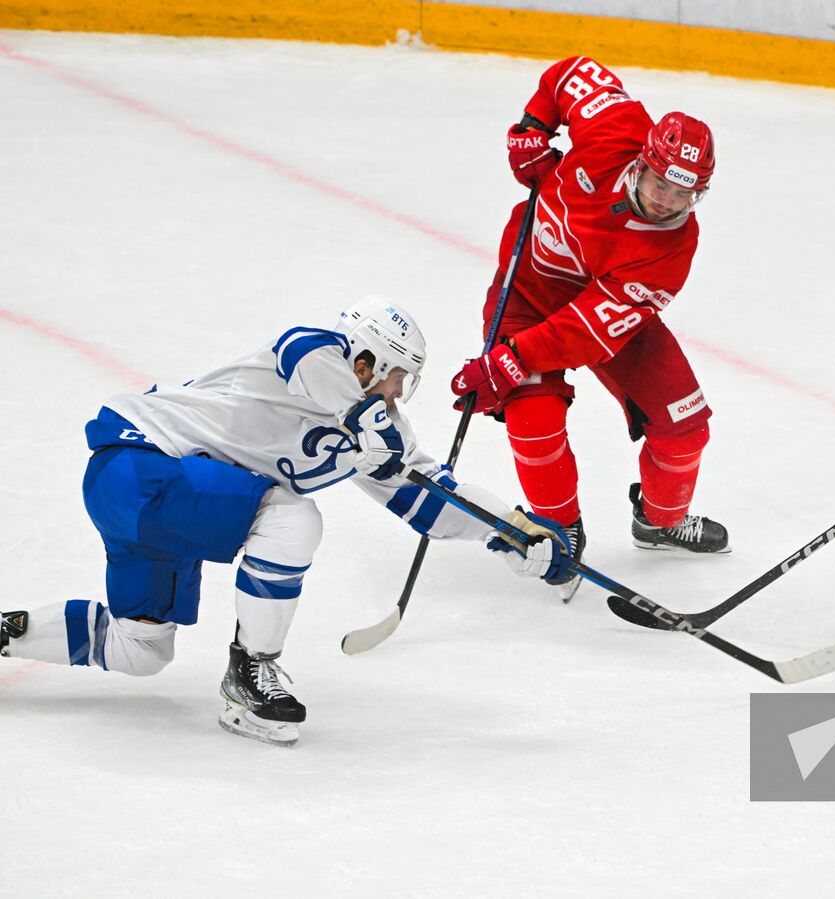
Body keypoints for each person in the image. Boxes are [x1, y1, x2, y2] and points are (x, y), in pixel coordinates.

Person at [0, 297, 572, 746]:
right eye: (396, 375)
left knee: (141, 650)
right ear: (365, 359)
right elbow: (303, 351)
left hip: (158, 506)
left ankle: (7, 633)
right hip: (141, 465)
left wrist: (511, 530)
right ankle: (250, 673)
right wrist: (365, 418)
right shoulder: (313, 357)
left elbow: (426, 502)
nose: (400, 392)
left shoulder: (371, 433)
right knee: (291, 517)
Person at [450, 56, 730, 601]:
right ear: (643, 161)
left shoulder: (673, 247)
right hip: (527, 296)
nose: (669, 202)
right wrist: (533, 128)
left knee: (685, 427)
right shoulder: (616, 127)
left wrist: (510, 359)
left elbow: (587, 330)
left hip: (604, 321)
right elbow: (570, 73)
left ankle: (660, 520)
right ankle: (558, 529)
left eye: (686, 194)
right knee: (532, 416)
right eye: (662, 186)